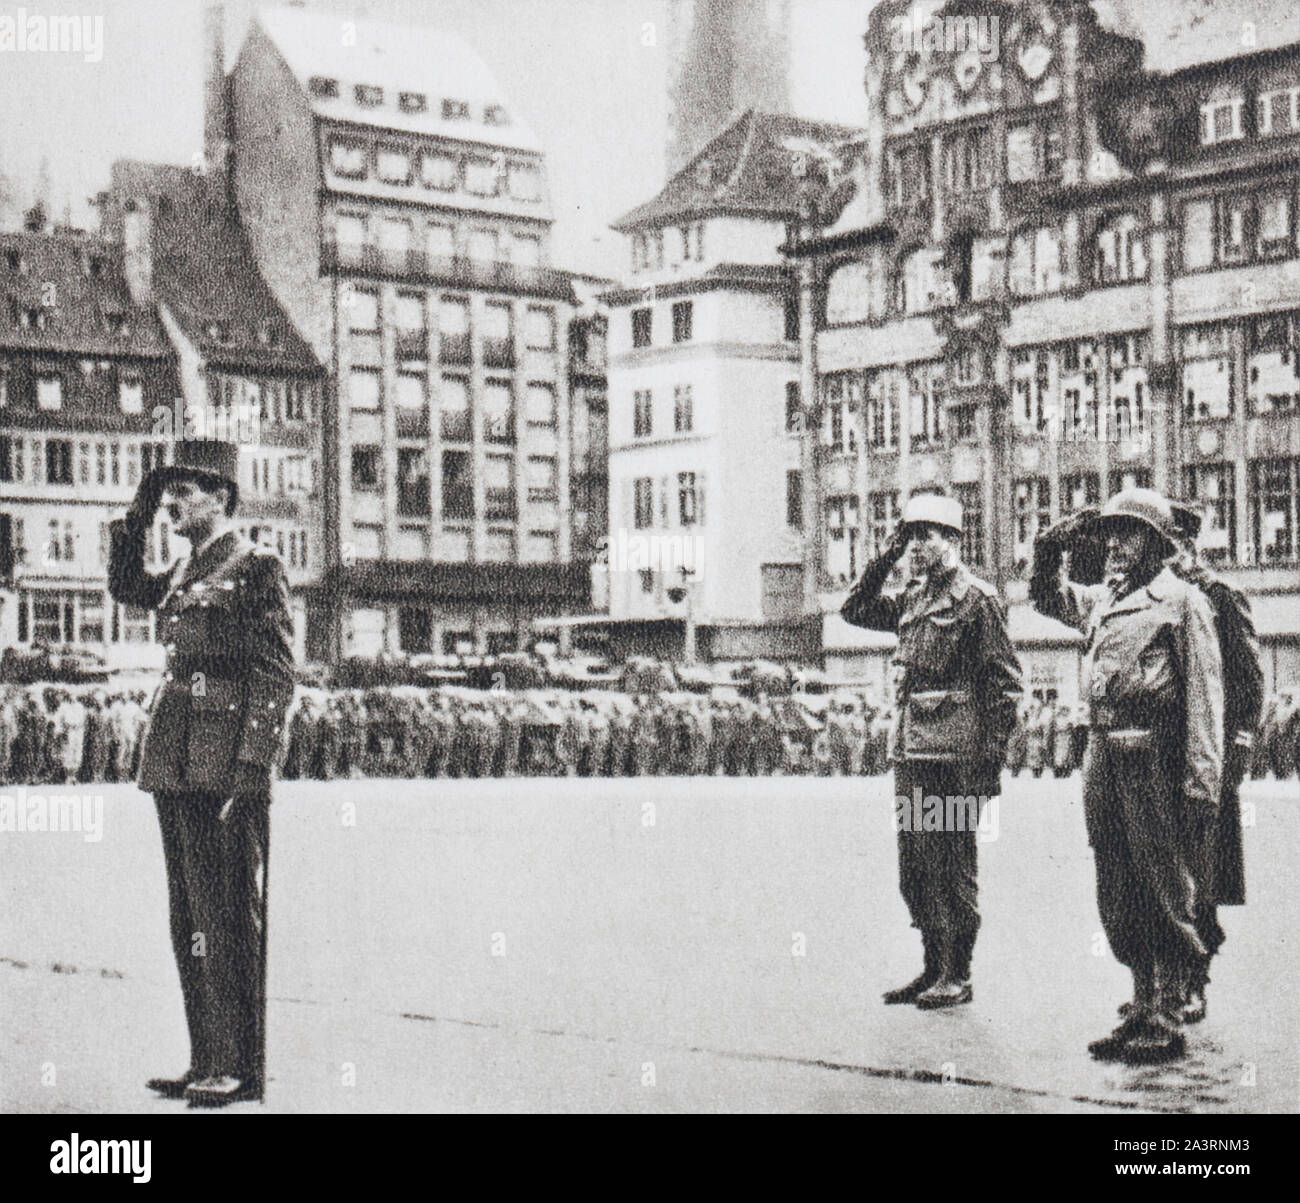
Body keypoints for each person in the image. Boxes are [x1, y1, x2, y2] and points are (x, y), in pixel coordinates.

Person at [107, 438, 295, 1107]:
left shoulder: (255, 564)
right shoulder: (187, 566)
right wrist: (137, 507)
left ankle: (241, 1065)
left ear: (221, 497)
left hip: (223, 764)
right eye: (170, 491)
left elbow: (275, 673)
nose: (173, 502)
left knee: (227, 914)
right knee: (188, 912)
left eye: (185, 490)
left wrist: (253, 768)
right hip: (177, 756)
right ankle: (206, 1055)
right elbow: (126, 586)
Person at [1030, 488, 1223, 1064]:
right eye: (1110, 533)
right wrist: (1052, 541)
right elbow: (1046, 597)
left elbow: (1205, 699)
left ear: (1157, 545)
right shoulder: (1103, 601)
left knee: (1163, 885)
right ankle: (1139, 1005)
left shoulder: (1182, 601)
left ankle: (1165, 1012)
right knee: (1118, 887)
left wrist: (1202, 780)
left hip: (1154, 756)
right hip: (1104, 755)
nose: (1115, 544)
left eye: (1129, 533)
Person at [842, 489, 1022, 1009]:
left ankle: (957, 972)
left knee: (951, 863)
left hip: (955, 758)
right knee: (915, 866)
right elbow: (855, 609)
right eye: (910, 535)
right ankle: (931, 965)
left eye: (926, 535)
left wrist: (988, 766)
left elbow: (1005, 687)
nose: (917, 545)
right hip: (914, 752)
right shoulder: (914, 598)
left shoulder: (976, 600)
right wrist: (886, 554)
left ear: (952, 540)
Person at [1168, 502, 1264, 1023]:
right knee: (1164, 873)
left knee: (1200, 877)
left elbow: (1248, 683)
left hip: (1208, 758)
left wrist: (1236, 754)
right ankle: (1163, 984)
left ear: (1187, 544)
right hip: (1162, 758)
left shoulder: (1220, 596)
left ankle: (1194, 983)